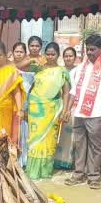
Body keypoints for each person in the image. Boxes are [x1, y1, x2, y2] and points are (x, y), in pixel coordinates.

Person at [64, 35, 101, 189]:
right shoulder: (81, 67)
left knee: (95, 146)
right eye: (87, 49)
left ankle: (94, 176)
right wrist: (69, 109)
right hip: (80, 113)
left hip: (98, 113)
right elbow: (74, 90)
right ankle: (78, 173)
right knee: (79, 144)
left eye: (92, 50)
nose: (89, 52)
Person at [20, 42, 72, 180]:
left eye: (53, 54)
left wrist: (65, 110)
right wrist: (32, 58)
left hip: (52, 110)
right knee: (35, 140)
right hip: (36, 110)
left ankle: (45, 170)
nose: (50, 57)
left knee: (49, 141)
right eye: (47, 54)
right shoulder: (38, 68)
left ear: (58, 55)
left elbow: (66, 92)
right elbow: (18, 66)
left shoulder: (62, 71)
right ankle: (33, 171)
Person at [55, 46, 79, 171]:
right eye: (66, 56)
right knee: (57, 133)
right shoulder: (59, 70)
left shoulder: (78, 71)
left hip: (73, 105)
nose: (68, 58)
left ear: (75, 58)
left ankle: (67, 161)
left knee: (69, 134)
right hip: (58, 103)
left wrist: (68, 108)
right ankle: (56, 159)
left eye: (70, 56)